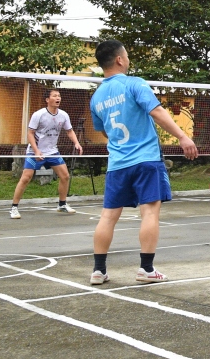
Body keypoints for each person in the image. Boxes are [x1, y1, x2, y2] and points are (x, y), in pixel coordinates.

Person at [88, 39, 198, 285]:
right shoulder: (134, 84)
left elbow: (104, 131)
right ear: (119, 59)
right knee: (149, 212)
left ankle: (98, 270)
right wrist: (182, 137)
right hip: (146, 159)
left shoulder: (96, 98)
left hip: (118, 163)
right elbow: (157, 112)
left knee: (107, 216)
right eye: (126, 55)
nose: (128, 59)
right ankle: (146, 269)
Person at [10, 89, 84, 219]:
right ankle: (14, 208)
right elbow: (30, 133)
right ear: (47, 100)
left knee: (65, 176)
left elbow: (69, 131)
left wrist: (76, 143)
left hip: (52, 152)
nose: (58, 98)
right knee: (26, 178)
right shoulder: (38, 115)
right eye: (54, 96)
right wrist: (37, 151)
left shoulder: (63, 115)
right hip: (35, 152)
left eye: (59, 96)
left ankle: (62, 204)